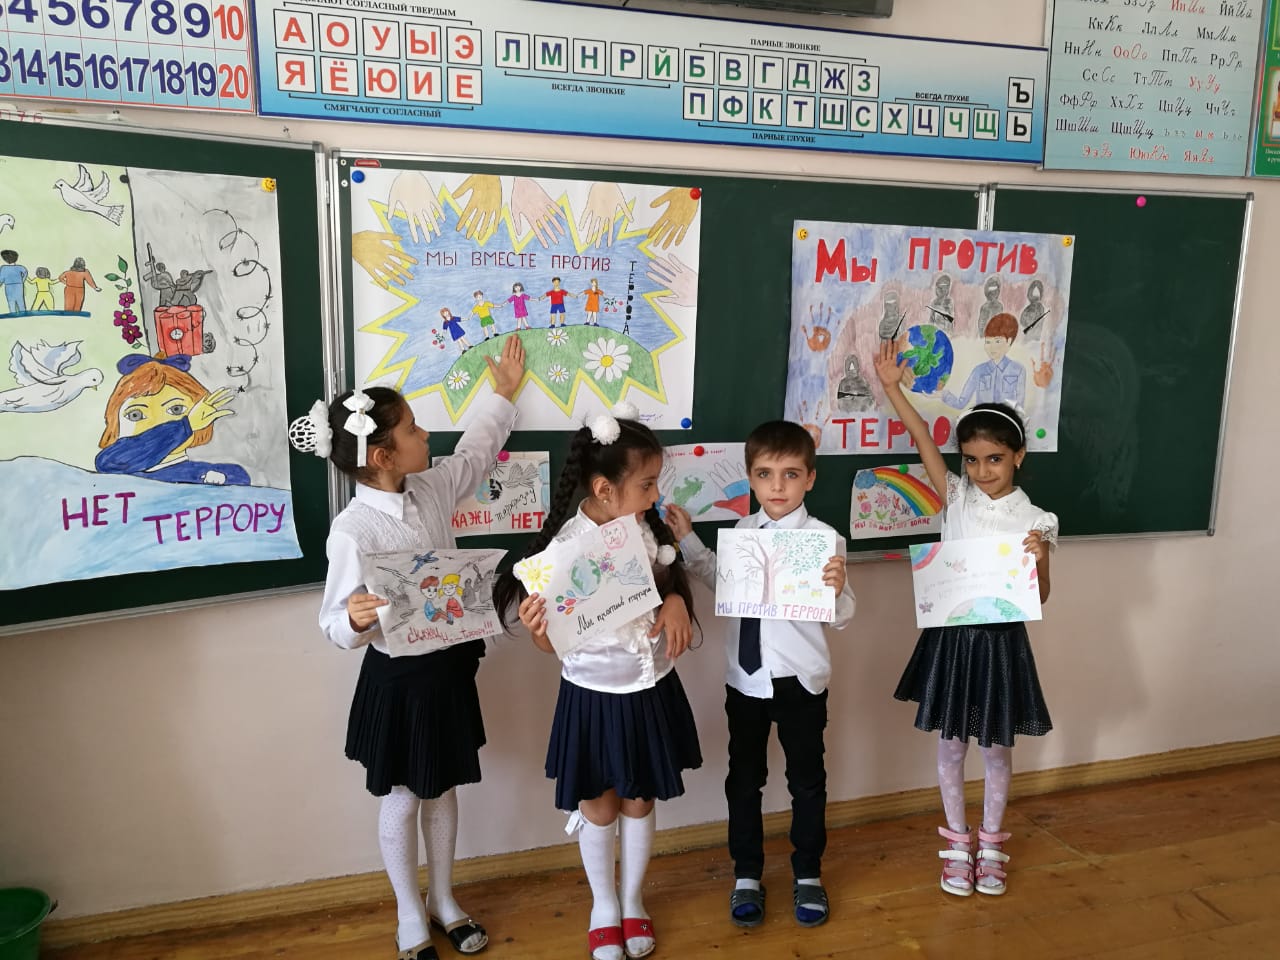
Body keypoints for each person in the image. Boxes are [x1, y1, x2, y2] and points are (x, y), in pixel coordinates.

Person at [304, 336, 525, 960]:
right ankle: (409, 912)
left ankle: (444, 899)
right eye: (412, 428)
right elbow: (333, 624)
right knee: (402, 796)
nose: (426, 434)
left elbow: (475, 455)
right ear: (383, 456)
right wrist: (353, 619)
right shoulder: (353, 531)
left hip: (447, 671)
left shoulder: (428, 489)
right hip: (398, 680)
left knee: (443, 786)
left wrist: (503, 395)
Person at [493, 403, 701, 960]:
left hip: (649, 687)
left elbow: (667, 582)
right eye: (647, 484)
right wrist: (539, 632)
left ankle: (632, 901)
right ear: (605, 489)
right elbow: (552, 646)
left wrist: (676, 600)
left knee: (639, 798)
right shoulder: (562, 553)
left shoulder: (644, 527)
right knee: (600, 805)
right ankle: (603, 905)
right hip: (593, 695)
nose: (655, 495)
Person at [874, 340, 1057, 898]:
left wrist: (1040, 559)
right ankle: (957, 845)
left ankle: (992, 846)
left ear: (1018, 456)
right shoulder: (955, 498)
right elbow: (923, 440)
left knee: (996, 749)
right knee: (951, 746)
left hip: (1001, 646)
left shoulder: (1037, 519)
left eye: (995, 459)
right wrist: (892, 388)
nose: (982, 470)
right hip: (953, 643)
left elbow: (1041, 595)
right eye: (972, 460)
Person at [665, 421, 854, 930]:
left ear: (810, 479)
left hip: (800, 681)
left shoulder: (824, 540)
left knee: (806, 782)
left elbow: (843, 614)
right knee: (744, 781)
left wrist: (837, 590)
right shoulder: (743, 535)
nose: (777, 486)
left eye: (790, 474)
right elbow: (721, 581)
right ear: (750, 478)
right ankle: (746, 873)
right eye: (765, 474)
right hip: (745, 682)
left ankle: (808, 872)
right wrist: (687, 541)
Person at [95, 354, 248, 485]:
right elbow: (109, 463)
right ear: (115, 423)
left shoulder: (213, 475)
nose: (157, 423)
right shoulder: (115, 471)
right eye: (135, 415)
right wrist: (184, 426)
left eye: (176, 410)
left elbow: (239, 478)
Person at [941, 312, 1026, 411]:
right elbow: (961, 403)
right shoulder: (978, 371)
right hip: (981, 419)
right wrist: (943, 395)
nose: (992, 347)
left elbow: (1019, 407)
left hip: (1005, 420)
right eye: (988, 342)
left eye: (997, 341)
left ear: (1009, 341)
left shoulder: (1018, 370)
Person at [1, 249, 29, 313]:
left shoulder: (3, 268)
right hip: (19, 285)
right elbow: (25, 272)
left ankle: (13, 314)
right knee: (21, 301)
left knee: (11, 302)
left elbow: (1, 279)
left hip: (9, 286)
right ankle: (23, 314)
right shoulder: (19, 267)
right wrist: (22, 280)